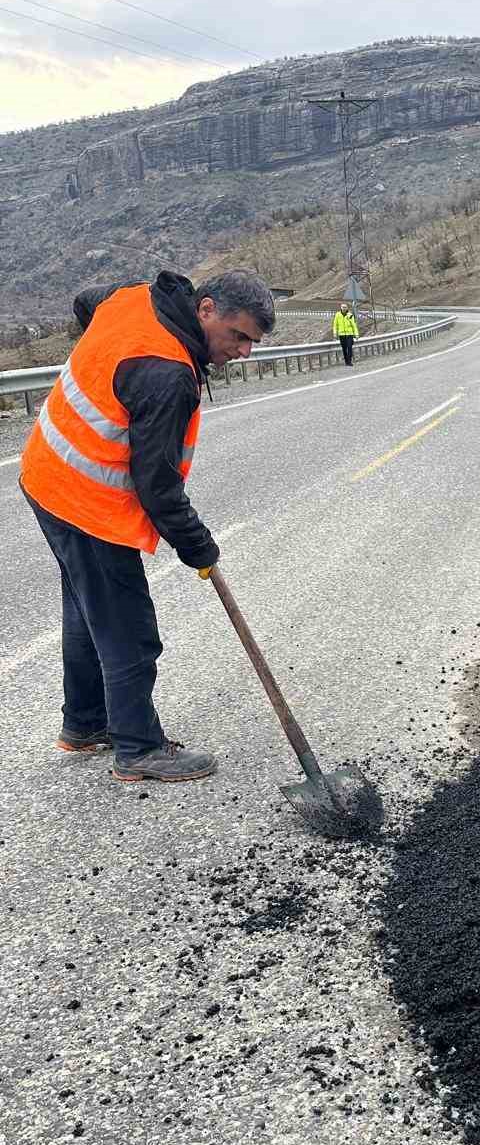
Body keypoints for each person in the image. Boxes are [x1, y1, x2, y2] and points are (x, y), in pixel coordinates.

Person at [20, 268, 275, 783]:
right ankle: (138, 749)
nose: (245, 352)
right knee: (128, 631)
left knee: (88, 612)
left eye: (253, 342)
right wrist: (200, 548)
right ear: (205, 310)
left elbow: (85, 300)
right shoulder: (166, 373)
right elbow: (157, 487)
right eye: (238, 336)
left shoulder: (134, 298)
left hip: (47, 473)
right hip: (85, 500)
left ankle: (86, 724)